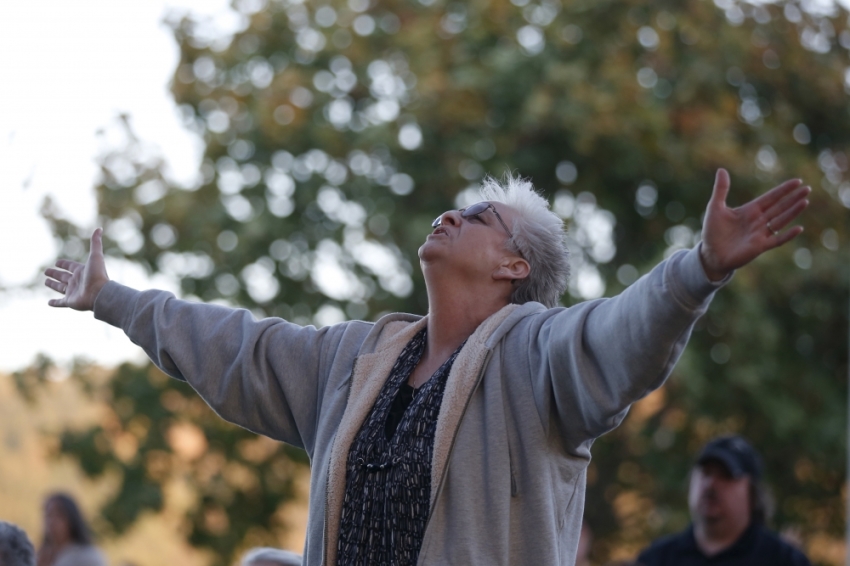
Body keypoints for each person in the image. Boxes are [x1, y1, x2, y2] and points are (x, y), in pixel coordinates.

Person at [44, 170, 808, 565]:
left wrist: (700, 267)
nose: (450, 214)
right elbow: (239, 346)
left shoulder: (539, 357)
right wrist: (113, 299)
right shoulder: (357, 358)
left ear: (515, 265)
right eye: (454, 207)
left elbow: (619, 336)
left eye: (478, 217)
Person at [637, 435, 811, 565]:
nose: (711, 484)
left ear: (752, 493)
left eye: (726, 475)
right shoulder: (657, 559)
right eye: (706, 473)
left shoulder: (783, 560)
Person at [35, 494, 106, 566]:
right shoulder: (42, 556)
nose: (52, 521)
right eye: (48, 515)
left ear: (71, 518)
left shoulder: (88, 557)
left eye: (58, 515)